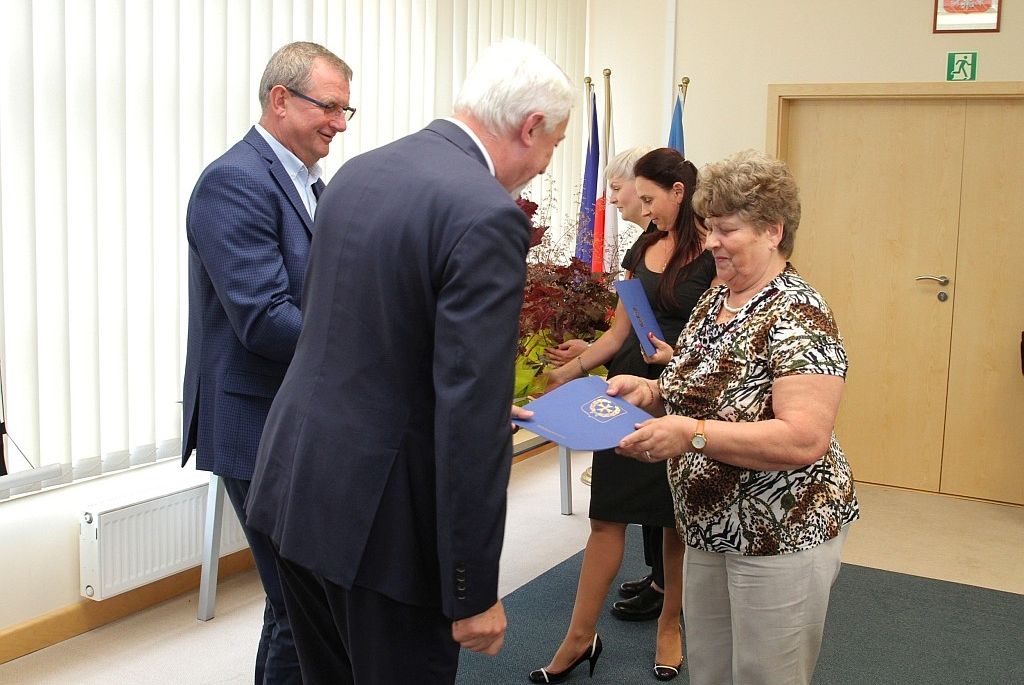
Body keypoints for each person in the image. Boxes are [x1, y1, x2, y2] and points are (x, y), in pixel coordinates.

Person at [244, 40, 573, 685]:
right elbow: (471, 423)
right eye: (553, 145)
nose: (544, 164)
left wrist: (453, 396)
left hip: (297, 489)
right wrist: (472, 589)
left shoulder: (360, 172)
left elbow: (361, 336)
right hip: (385, 527)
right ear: (530, 127)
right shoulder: (486, 215)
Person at [610, 149, 860, 685]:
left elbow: (803, 438)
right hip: (707, 526)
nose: (712, 243)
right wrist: (650, 392)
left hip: (780, 530)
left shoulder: (799, 313)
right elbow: (698, 387)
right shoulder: (718, 298)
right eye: (708, 227)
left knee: (766, 675)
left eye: (726, 230)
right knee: (711, 671)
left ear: (773, 231)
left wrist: (690, 434)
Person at [180, 41, 353, 685]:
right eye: (328, 107)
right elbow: (263, 319)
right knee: (298, 604)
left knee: (302, 603)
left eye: (346, 110)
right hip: (258, 424)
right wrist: (364, 349)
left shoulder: (309, 181)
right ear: (280, 99)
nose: (339, 123)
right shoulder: (236, 180)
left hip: (299, 416)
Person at [531, 148, 716, 683]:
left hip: (682, 393)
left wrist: (675, 363)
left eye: (651, 198)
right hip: (625, 389)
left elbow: (723, 345)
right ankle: (578, 637)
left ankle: (670, 625)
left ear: (678, 192)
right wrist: (571, 370)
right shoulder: (643, 246)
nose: (644, 208)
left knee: (672, 520)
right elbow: (619, 333)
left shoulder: (712, 254)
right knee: (606, 515)